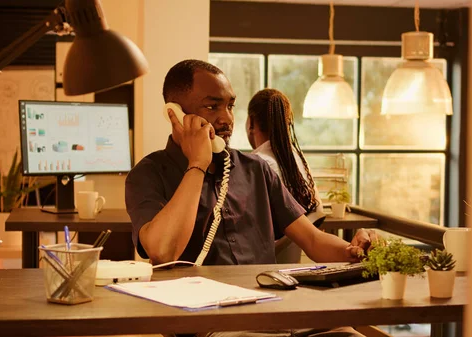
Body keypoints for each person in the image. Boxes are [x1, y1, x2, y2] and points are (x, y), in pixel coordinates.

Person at [125, 59, 377, 337]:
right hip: (211, 321)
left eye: (230, 106)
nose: (227, 119)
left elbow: (313, 240)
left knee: (348, 334)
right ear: (174, 114)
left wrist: (351, 251)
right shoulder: (147, 175)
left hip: (276, 308)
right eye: (212, 107)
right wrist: (197, 163)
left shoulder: (256, 170)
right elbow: (163, 250)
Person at [246, 88, 325, 263]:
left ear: (250, 122)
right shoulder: (298, 160)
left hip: (261, 263)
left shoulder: (258, 164)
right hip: (291, 258)